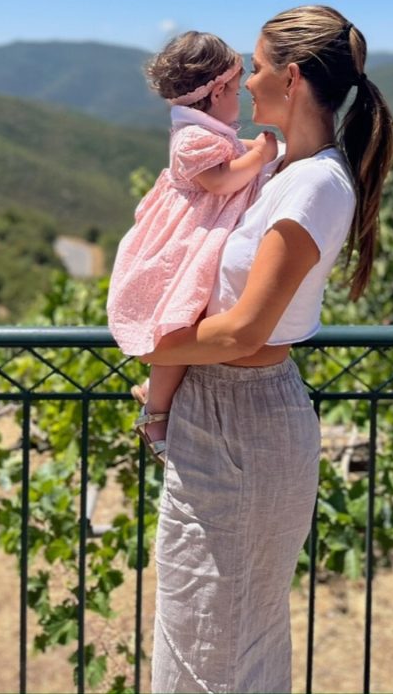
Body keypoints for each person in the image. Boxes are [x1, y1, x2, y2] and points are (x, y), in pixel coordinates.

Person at [138, 5, 393, 693]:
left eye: (255, 68)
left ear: (292, 77)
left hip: (246, 423)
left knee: (216, 644)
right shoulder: (284, 170)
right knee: (206, 632)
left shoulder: (314, 187)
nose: (246, 82)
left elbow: (246, 330)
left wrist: (152, 345)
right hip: (216, 413)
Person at [106, 31, 277, 463]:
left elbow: (230, 157)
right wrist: (260, 157)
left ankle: (157, 394)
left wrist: (260, 152)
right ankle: (156, 411)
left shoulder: (204, 131)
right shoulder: (191, 138)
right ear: (217, 92)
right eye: (234, 89)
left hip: (200, 233)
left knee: (190, 318)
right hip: (187, 242)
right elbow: (219, 180)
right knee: (179, 321)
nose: (239, 97)